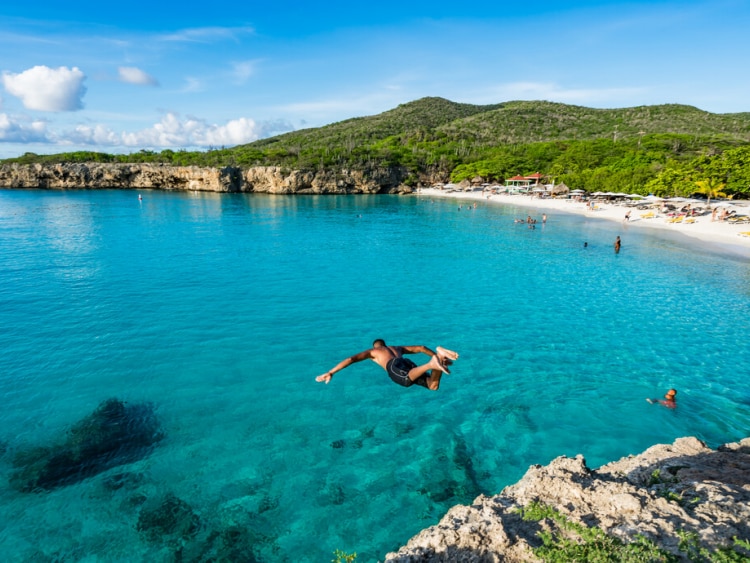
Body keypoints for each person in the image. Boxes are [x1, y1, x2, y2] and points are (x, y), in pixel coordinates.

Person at [316, 339, 458, 391]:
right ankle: (439, 356)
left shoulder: (373, 352)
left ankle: (431, 364)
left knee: (406, 381)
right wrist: (433, 354)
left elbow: (351, 359)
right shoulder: (397, 348)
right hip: (406, 362)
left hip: (394, 365)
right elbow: (420, 347)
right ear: (385, 344)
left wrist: (331, 372)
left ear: (375, 347)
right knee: (432, 385)